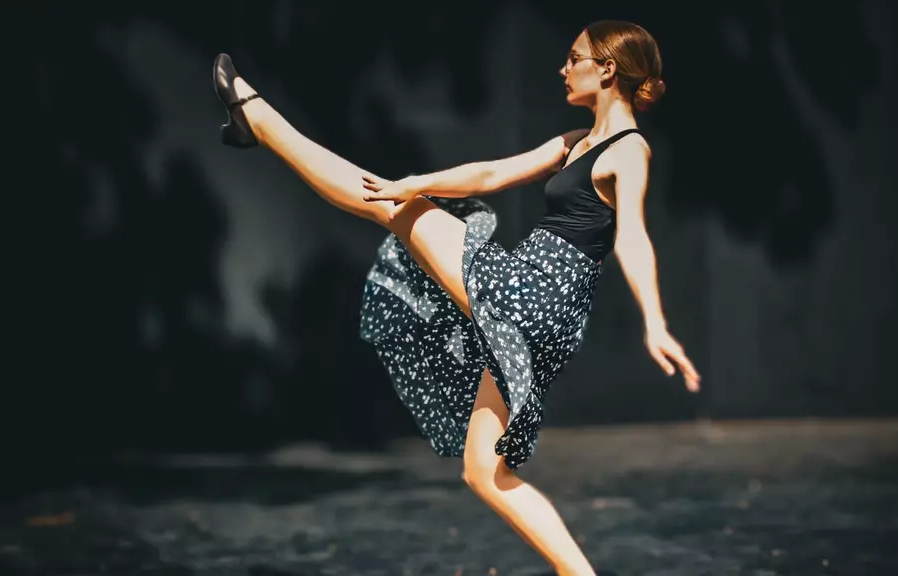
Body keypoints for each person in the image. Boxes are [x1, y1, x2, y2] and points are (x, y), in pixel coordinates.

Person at [212, 19, 699, 576]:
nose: (563, 69)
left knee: (386, 205)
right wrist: (420, 182)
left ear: (607, 69)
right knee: (485, 473)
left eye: (574, 58)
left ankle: (256, 119)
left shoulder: (629, 150)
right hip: (538, 312)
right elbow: (491, 174)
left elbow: (632, 235)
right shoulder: (575, 143)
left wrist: (655, 321)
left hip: (532, 296)